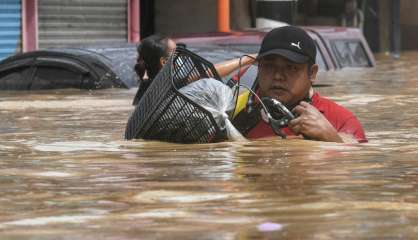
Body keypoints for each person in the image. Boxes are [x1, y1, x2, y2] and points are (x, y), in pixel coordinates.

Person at [232, 26, 367, 143]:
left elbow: (356, 160)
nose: (278, 76)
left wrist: (330, 137)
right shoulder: (234, 112)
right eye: (269, 66)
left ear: (312, 73)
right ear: (259, 68)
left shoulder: (340, 120)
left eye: (291, 68)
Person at [132, 34, 256, 105]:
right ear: (164, 62)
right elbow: (209, 72)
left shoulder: (145, 86)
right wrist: (248, 59)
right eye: (177, 52)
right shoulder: (168, 85)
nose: (181, 56)